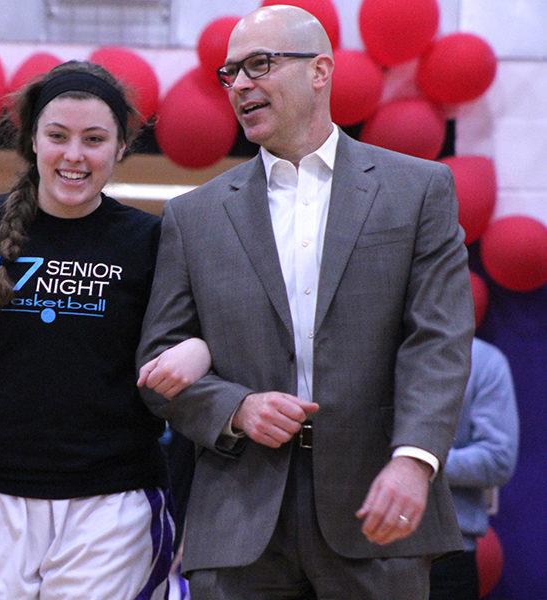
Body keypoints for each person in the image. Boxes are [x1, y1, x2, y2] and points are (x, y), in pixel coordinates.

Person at [136, 5, 474, 599]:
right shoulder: (193, 216)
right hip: (239, 522)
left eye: (259, 65)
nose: (240, 84)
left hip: (378, 509)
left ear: (320, 71)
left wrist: (414, 460)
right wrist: (236, 407)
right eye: (230, 72)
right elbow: (157, 364)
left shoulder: (418, 189)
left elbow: (438, 339)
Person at [0, 60, 208, 599]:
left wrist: (198, 349)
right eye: (57, 136)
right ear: (33, 140)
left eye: (94, 139)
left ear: (121, 147)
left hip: (114, 503)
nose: (74, 155)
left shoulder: (152, 240)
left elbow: (206, 334)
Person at [430, 337, 519, 600]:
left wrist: (418, 462)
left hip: (448, 554)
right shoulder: (370, 353)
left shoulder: (484, 360)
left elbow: (498, 458)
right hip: (362, 552)